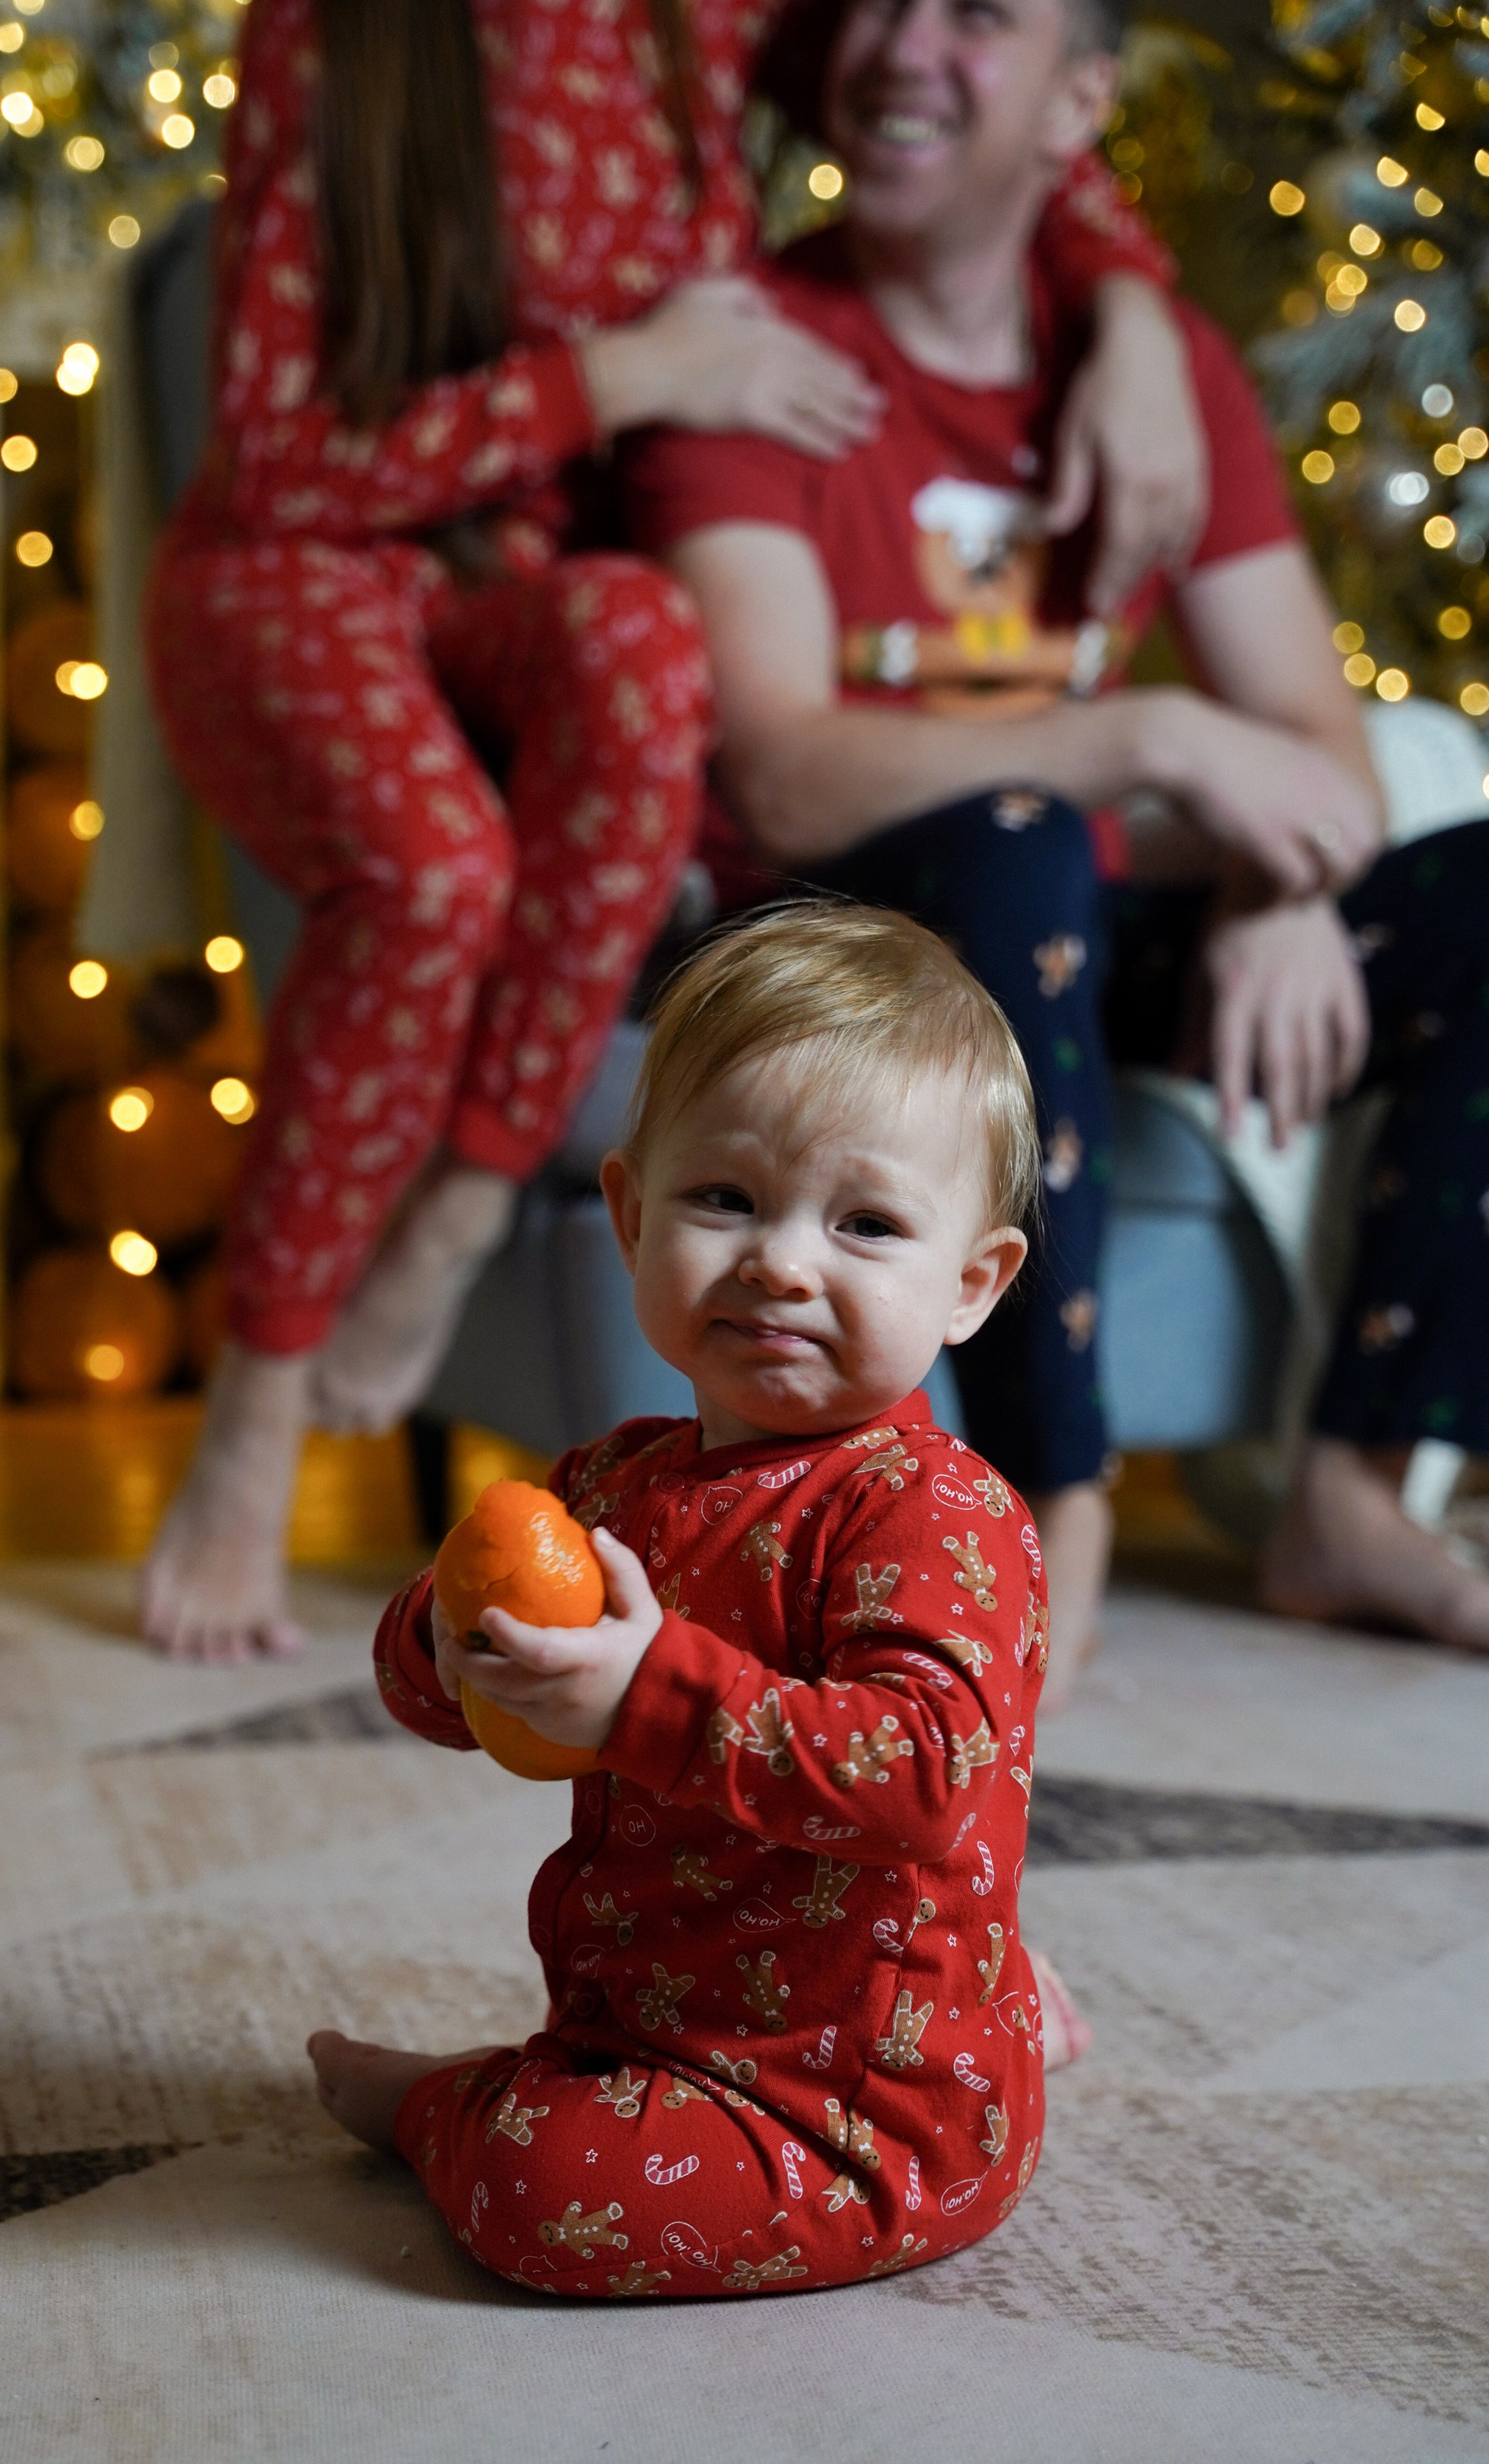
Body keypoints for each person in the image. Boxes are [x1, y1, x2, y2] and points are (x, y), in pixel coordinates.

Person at [138, 0, 1208, 1665]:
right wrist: (623, 377)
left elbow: (941, 97)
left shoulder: (708, 17)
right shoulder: (335, 31)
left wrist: (1128, 301)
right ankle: (258, 1406)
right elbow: (277, 456)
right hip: (299, 562)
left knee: (646, 643)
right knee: (434, 873)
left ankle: (472, 1195)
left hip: (531, 583)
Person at [623, 0, 1489, 1688]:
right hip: (826, 953)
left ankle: (1353, 1490)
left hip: (1077, 912)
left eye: (973, 17)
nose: (899, 48)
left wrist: (1269, 884)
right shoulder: (755, 356)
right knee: (1021, 854)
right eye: (874, 3)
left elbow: (1314, 755)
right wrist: (1150, 739)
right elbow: (786, 778)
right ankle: (1049, 1507)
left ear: (1076, 100)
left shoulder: (1147, 378)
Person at [310, 906, 1091, 2300]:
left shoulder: (937, 1512)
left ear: (971, 1286)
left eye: (866, 1224)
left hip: (855, 2106)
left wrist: (646, 1696)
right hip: (648, 2022)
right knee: (583, 2115)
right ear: (630, 1215)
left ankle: (449, 2111)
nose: (783, 1261)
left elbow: (922, 1779)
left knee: (541, 2193)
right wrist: (449, 1639)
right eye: (724, 1200)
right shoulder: (609, 1485)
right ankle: (549, 2078)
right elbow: (435, 1697)